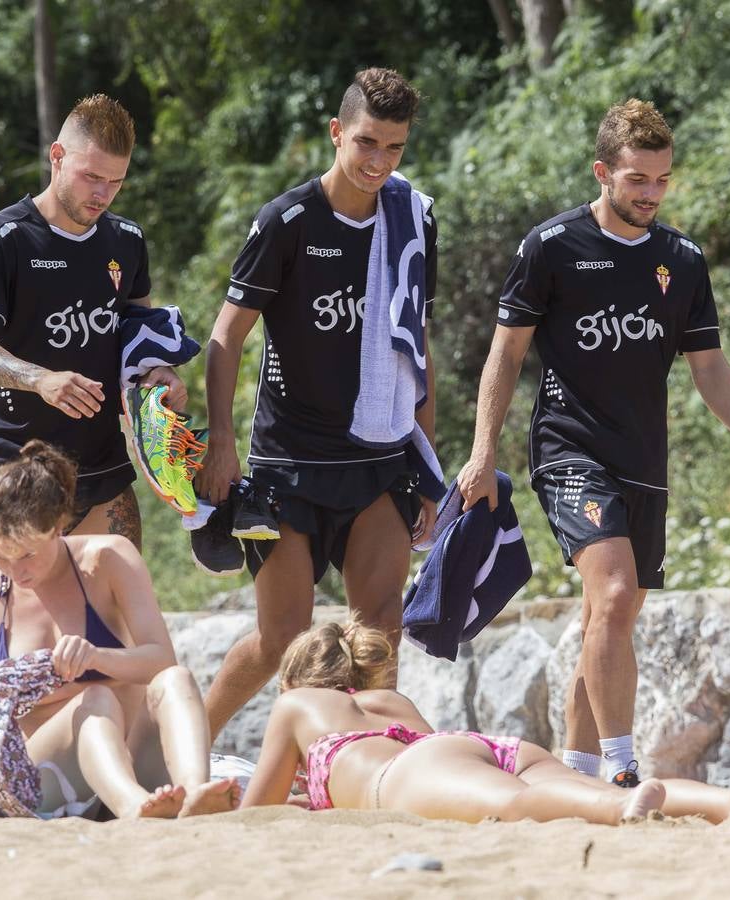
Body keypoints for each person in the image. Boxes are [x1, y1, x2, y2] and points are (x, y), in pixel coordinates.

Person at [454, 98, 730, 786]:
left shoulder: (683, 260)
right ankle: (622, 770)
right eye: (638, 179)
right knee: (612, 594)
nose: (651, 194)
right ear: (602, 172)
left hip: (645, 462)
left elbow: (708, 364)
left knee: (610, 619)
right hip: (569, 449)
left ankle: (572, 771)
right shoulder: (550, 247)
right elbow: (506, 355)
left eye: (662, 180)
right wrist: (484, 450)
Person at [195, 68, 439, 740]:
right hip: (288, 466)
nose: (378, 161)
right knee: (283, 639)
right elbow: (224, 338)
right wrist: (220, 441)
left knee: (380, 633)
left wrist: (429, 462)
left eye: (394, 148)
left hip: (379, 460)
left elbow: (416, 343)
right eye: (367, 142)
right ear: (337, 132)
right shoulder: (287, 221)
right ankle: (184, 751)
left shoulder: (412, 219)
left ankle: (368, 764)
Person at [0, 441, 237, 820]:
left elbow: (160, 659)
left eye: (27, 554)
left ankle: (194, 793)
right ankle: (133, 808)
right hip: (45, 775)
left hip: (136, 757)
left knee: (176, 679)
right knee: (96, 700)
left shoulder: (108, 558)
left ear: (59, 526)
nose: (17, 570)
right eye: (2, 556)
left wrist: (97, 657)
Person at [240, 620, 730, 825]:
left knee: (515, 807)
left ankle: (621, 807)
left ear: (296, 677)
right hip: (467, 747)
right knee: (577, 788)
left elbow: (254, 813)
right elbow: (445, 753)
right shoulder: (390, 701)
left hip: (409, 774)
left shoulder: (296, 704)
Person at [0, 93, 188, 556]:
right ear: (57, 157)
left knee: (114, 625)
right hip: (14, 469)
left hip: (102, 470)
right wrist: (40, 379)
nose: (102, 194)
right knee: (8, 626)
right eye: (91, 177)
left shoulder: (128, 240)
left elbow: (137, 340)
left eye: (116, 181)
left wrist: (159, 380)